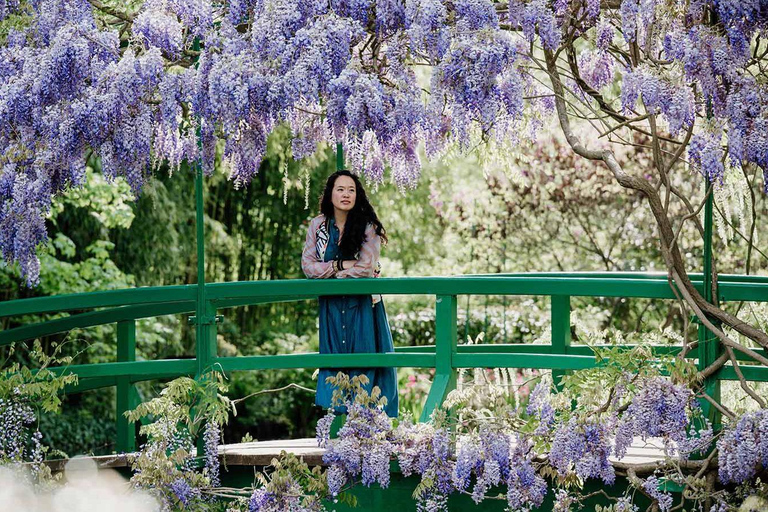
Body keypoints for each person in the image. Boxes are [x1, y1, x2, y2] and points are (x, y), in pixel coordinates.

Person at [301, 170, 398, 417]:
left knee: (366, 363)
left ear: (358, 195)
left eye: (351, 190)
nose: (346, 194)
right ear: (330, 194)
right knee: (335, 363)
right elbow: (308, 267)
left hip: (363, 305)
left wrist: (333, 275)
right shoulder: (318, 225)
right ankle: (339, 436)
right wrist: (341, 265)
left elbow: (366, 268)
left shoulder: (368, 226)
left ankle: (366, 434)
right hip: (332, 307)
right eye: (340, 189)